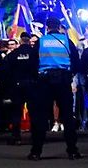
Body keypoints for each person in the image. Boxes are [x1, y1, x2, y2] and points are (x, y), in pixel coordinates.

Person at [29, 17, 81, 159]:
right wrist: (69, 74)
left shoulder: (41, 41)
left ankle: (36, 152)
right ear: (59, 27)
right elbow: (76, 62)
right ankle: (72, 150)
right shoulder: (67, 41)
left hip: (45, 81)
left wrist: (37, 77)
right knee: (68, 116)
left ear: (47, 27)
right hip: (63, 81)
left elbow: (33, 63)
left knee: (41, 117)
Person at [0, 31, 38, 146]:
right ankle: (35, 136)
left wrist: (7, 87)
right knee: (34, 111)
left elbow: (4, 72)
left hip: (17, 86)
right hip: (32, 85)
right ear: (29, 40)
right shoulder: (35, 53)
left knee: (16, 112)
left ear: (20, 41)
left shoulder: (13, 54)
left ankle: (16, 136)